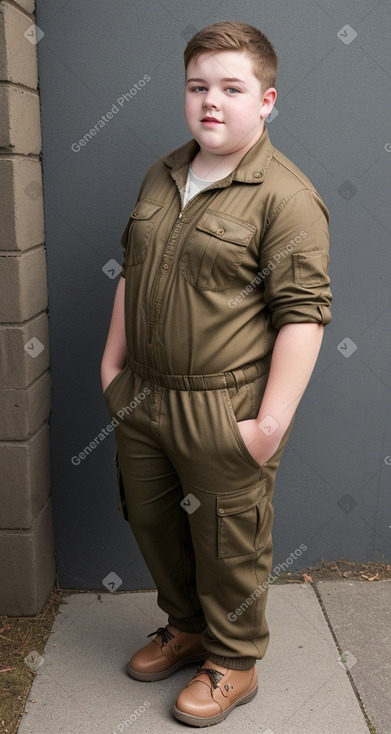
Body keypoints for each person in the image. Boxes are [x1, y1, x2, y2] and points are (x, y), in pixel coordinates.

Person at [101, 20, 332, 727]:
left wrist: (267, 425)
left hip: (221, 405)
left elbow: (302, 315)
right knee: (152, 521)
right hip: (142, 392)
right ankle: (186, 627)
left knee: (228, 540)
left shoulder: (284, 196)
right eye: (198, 85)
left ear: (264, 100)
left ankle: (234, 661)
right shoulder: (164, 172)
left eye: (231, 88)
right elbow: (132, 269)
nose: (211, 101)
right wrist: (112, 365)